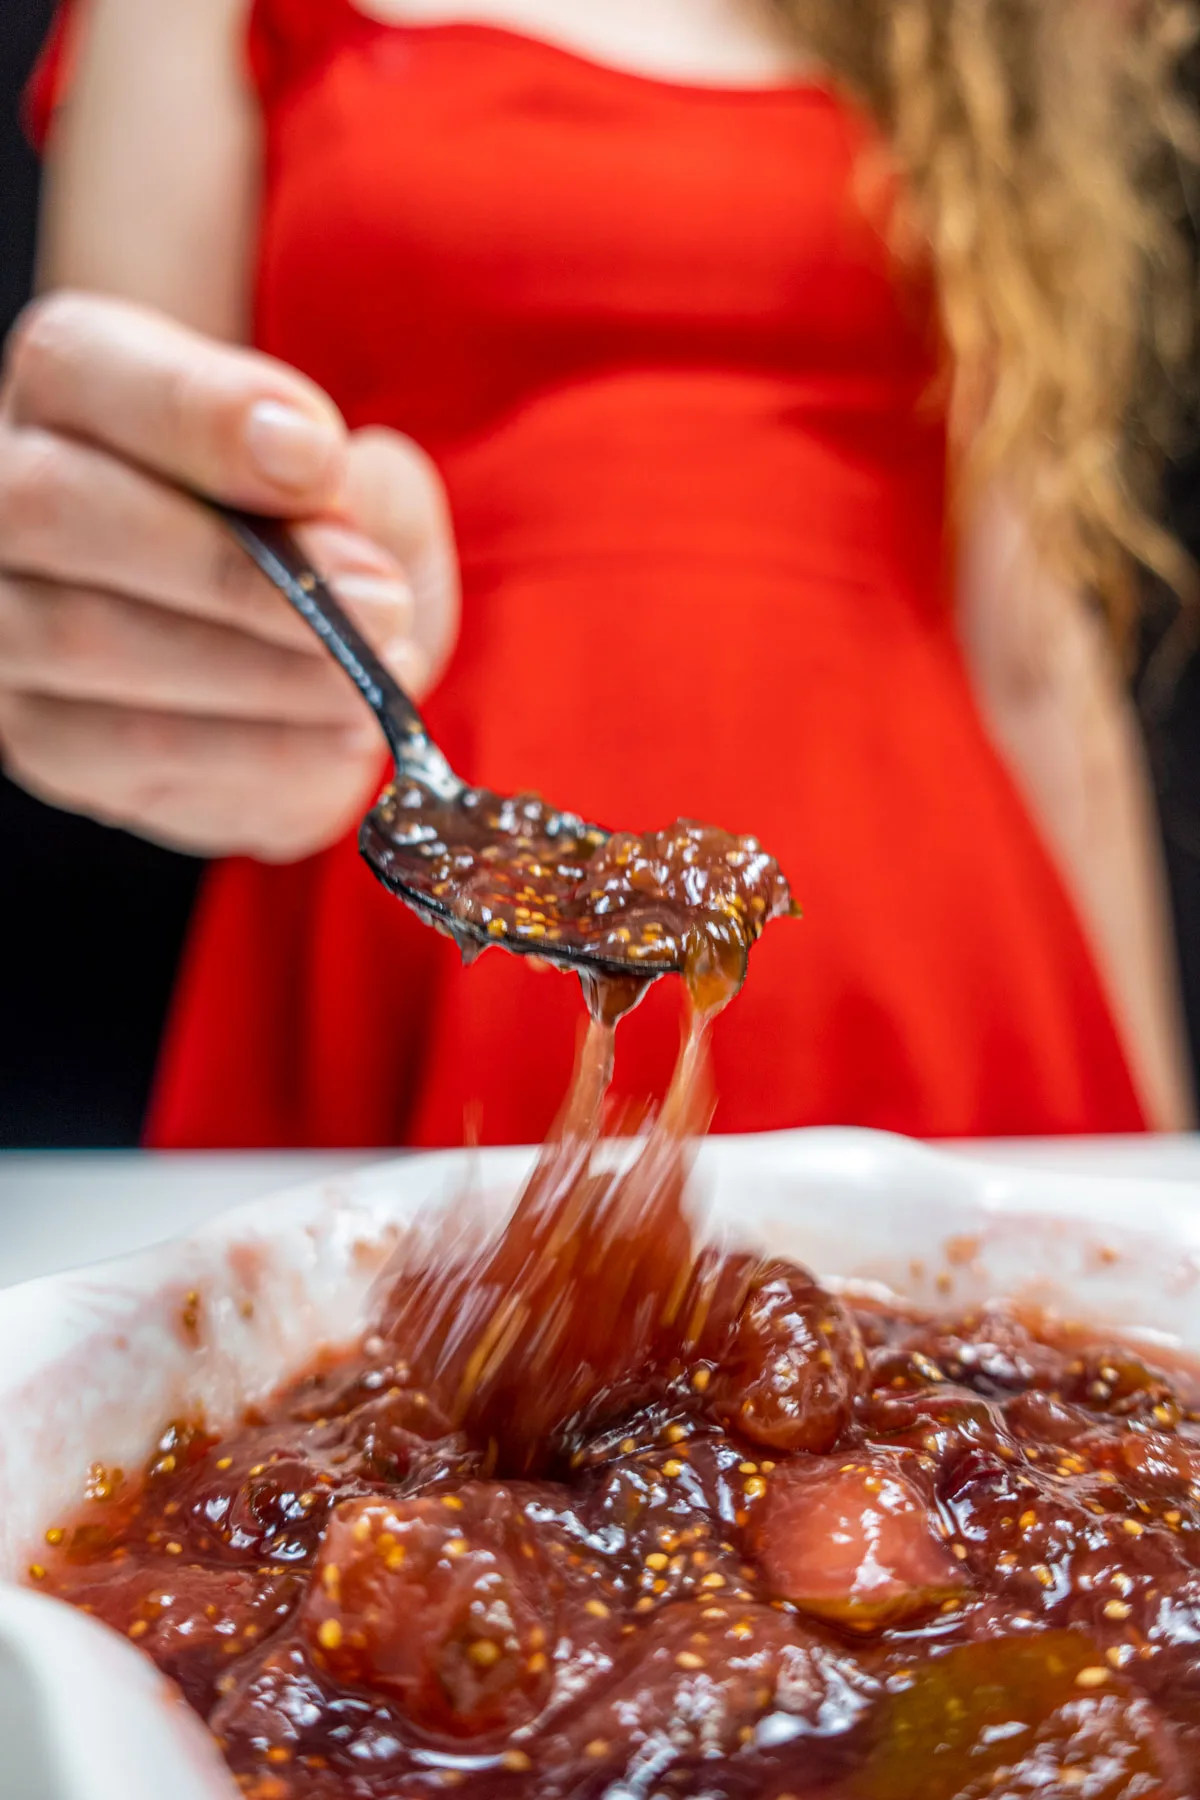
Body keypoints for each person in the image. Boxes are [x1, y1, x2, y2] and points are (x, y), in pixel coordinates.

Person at [0, 0, 1194, 1146]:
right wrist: (121, 622)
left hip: (947, 966)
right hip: (401, 937)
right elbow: (104, 520)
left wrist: (1166, 1177)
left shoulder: (982, 28)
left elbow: (1036, 662)